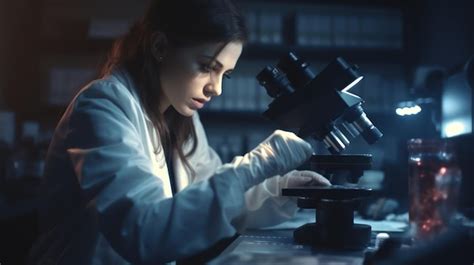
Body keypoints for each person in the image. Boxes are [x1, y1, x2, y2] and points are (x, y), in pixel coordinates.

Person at [28, 0, 330, 264]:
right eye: (206, 66)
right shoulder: (101, 108)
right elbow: (143, 233)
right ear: (160, 47)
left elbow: (211, 200)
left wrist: (281, 188)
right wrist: (260, 162)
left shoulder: (179, 117)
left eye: (225, 73)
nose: (217, 88)